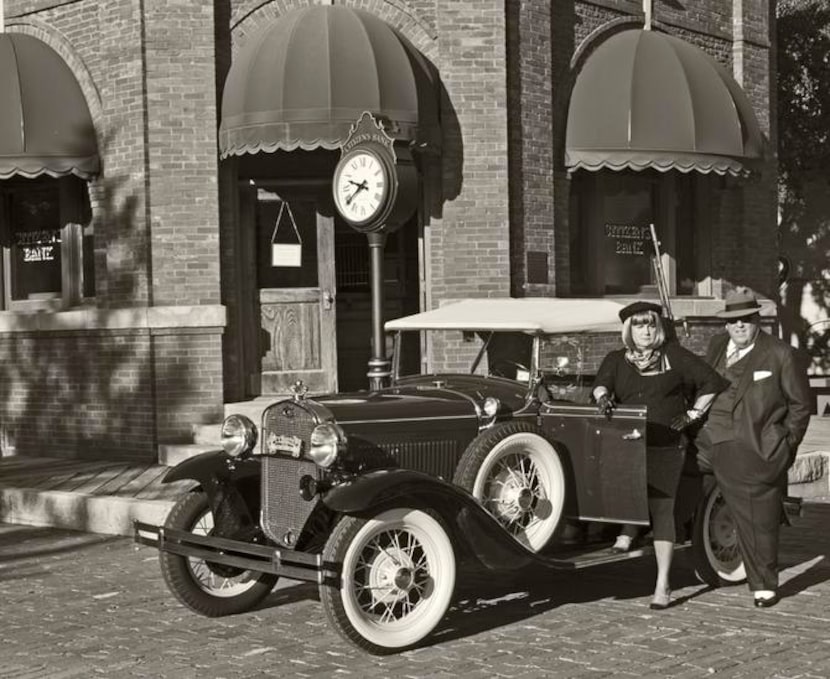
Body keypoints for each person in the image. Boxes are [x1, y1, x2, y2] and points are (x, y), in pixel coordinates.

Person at [592, 301, 728, 610]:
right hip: (628, 442)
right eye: (639, 325)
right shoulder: (616, 359)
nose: (646, 330)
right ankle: (629, 529)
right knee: (624, 494)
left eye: (651, 324)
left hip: (667, 442)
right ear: (629, 330)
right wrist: (603, 399)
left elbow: (712, 381)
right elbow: (601, 385)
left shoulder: (673, 355)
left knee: (663, 509)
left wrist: (694, 413)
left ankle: (662, 584)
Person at [695, 287, 811, 608]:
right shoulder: (717, 345)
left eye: (746, 320)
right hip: (709, 441)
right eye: (733, 322)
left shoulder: (779, 353)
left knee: (758, 517)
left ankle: (764, 584)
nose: (739, 327)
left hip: (755, 447)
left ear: (757, 319)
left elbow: (801, 406)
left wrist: (784, 446)